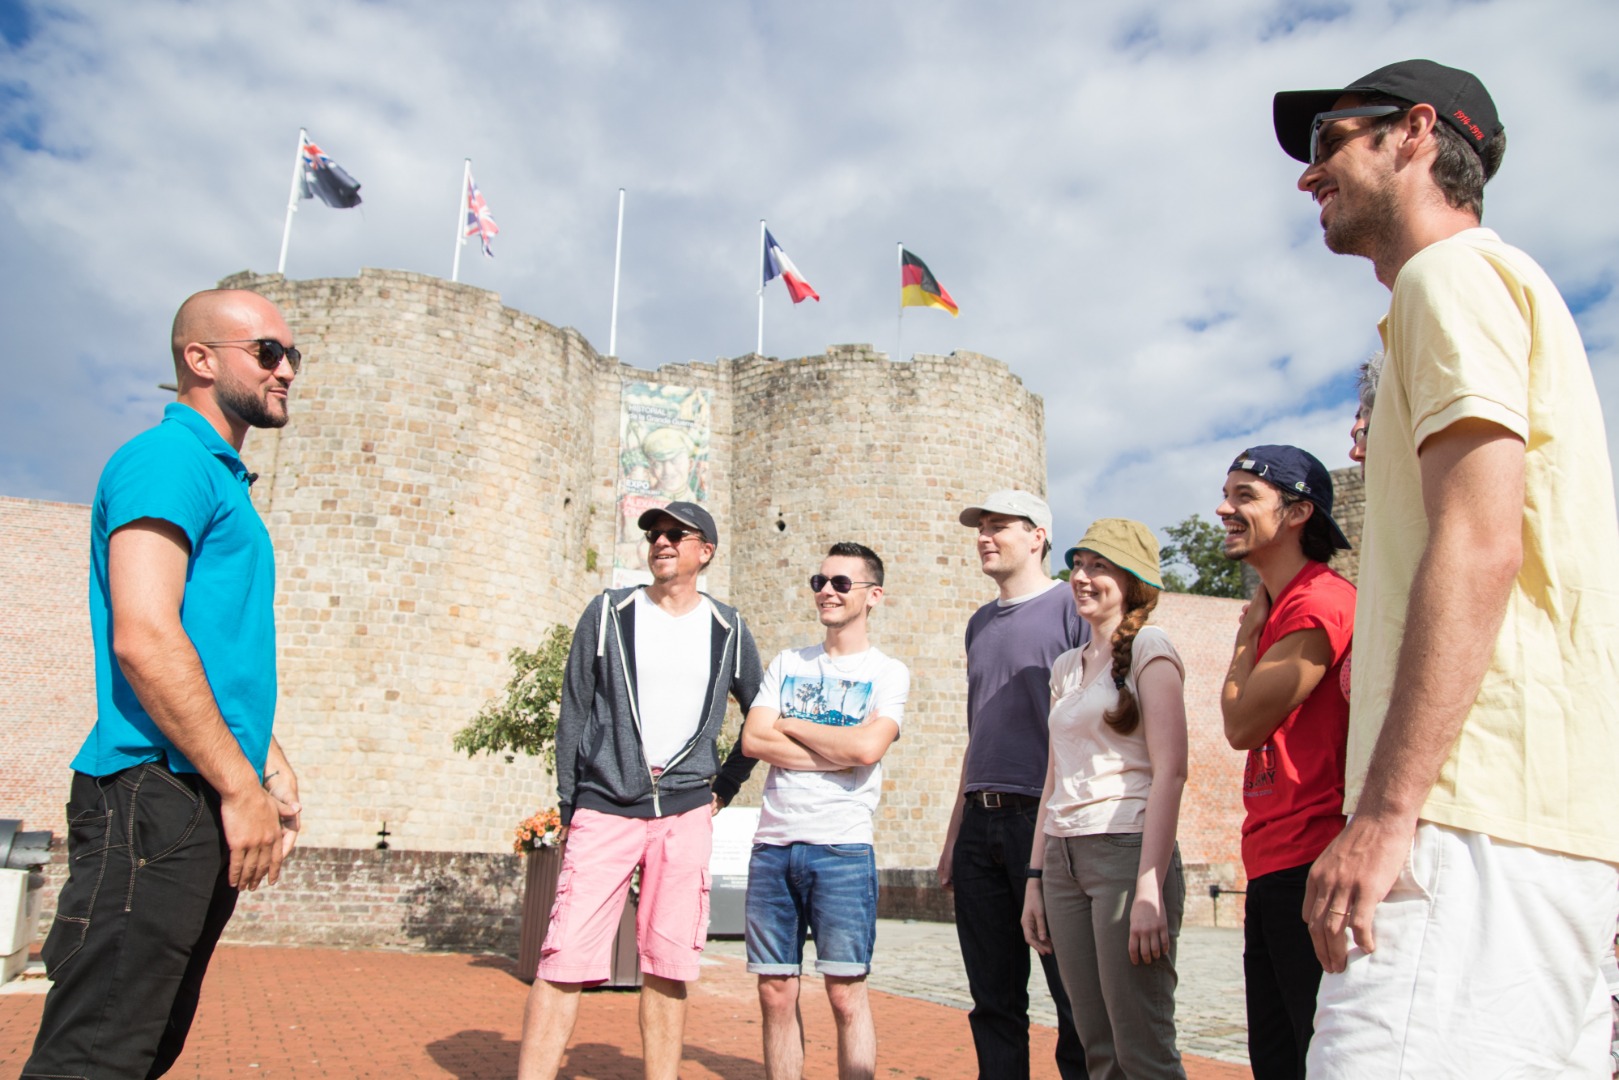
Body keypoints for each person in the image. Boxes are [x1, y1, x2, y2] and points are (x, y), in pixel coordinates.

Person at [1274, 59, 1619, 1075]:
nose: (1306, 174)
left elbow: (1477, 542)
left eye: (1329, 138)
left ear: (1414, 131)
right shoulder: (1516, 291)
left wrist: (1383, 815)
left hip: (1463, 822)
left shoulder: (1450, 274)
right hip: (1541, 828)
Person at [23, 290, 305, 1080]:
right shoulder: (168, 459)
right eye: (267, 353)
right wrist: (236, 786)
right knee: (99, 1053)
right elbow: (146, 636)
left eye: (292, 356)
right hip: (152, 795)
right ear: (200, 359)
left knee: (143, 1045)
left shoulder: (221, 478)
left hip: (187, 793)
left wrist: (267, 760)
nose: (286, 370)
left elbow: (205, 645)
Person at [517, 500, 762, 1080]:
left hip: (685, 811)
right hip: (605, 807)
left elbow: (760, 716)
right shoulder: (608, 612)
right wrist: (572, 803)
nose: (662, 541)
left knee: (669, 963)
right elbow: (573, 711)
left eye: (678, 534)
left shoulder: (729, 628)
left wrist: (723, 787)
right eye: (654, 532)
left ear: (706, 551)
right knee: (563, 956)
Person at [1022, 518, 1189, 1080]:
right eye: (1079, 564)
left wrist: (1149, 886)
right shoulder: (1066, 667)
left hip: (1126, 850)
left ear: (1134, 581)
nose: (1083, 577)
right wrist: (1036, 878)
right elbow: (1054, 781)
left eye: (1100, 566)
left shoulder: (1150, 646)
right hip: (1065, 859)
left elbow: (1171, 772)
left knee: (1142, 1048)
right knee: (1097, 1048)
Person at [740, 541, 910, 1080]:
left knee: (844, 992)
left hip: (842, 847)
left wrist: (789, 723)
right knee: (774, 991)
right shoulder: (788, 662)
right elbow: (751, 740)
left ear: (873, 595)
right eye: (820, 582)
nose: (827, 592)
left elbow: (866, 752)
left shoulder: (888, 672)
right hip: (773, 846)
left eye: (841, 583)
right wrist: (834, 747)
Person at [939, 491, 1089, 1080]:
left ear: (1039, 536)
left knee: (1073, 997)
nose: (984, 536)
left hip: (1044, 818)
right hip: (981, 820)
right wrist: (955, 834)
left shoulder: (1070, 608)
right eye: (980, 527)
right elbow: (978, 734)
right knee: (993, 1001)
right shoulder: (978, 623)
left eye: (999, 526)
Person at [1217, 446, 1356, 1079]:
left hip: (1312, 859)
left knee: (1313, 1055)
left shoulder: (1319, 600)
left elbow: (1242, 725)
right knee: (1275, 1059)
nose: (1225, 508)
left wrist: (1247, 637)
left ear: (1297, 511)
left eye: (1246, 496)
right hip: (1272, 858)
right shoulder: (1280, 605)